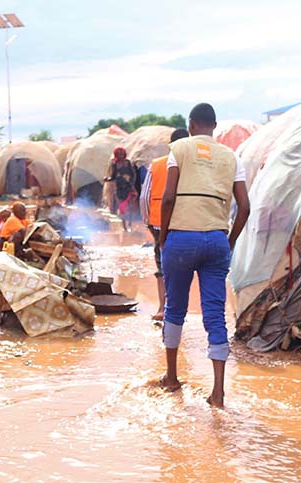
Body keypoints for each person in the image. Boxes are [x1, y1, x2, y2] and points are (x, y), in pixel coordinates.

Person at [157, 103, 251, 408]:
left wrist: (163, 238)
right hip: (216, 240)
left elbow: (168, 197)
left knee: (175, 309)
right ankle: (218, 394)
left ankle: (171, 378)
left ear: (191, 124)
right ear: (213, 125)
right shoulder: (232, 157)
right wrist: (230, 240)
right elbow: (244, 207)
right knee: (214, 314)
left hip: (181, 239)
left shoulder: (179, 149)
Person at [140, 128, 191, 321]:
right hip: (187, 223)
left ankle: (163, 308)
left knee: (162, 266)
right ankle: (179, 309)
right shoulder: (194, 166)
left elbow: (145, 196)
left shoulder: (158, 164)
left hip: (159, 224)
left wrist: (148, 222)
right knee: (184, 267)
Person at [104, 147, 139, 231]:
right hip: (119, 188)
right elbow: (113, 176)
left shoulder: (128, 162)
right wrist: (107, 179)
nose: (120, 155)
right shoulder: (114, 164)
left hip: (128, 187)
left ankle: (130, 223)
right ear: (116, 154)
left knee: (130, 206)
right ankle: (124, 227)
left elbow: (133, 174)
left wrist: (131, 183)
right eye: (119, 154)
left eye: (122, 153)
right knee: (122, 207)